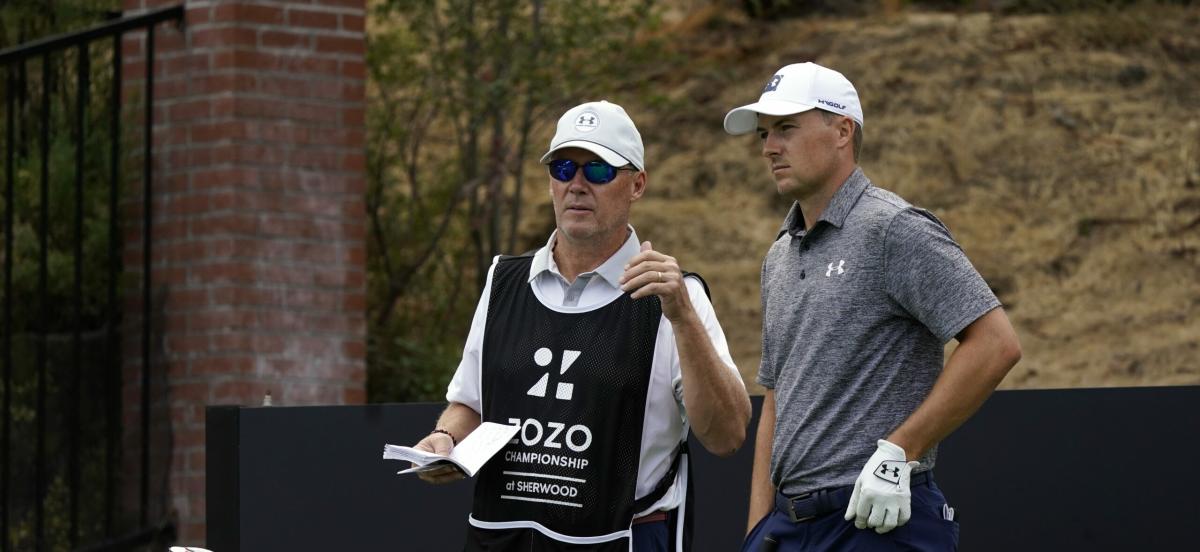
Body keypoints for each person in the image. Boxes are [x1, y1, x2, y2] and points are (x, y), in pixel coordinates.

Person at [411, 100, 751, 551]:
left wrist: (684, 317)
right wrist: (445, 438)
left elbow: (726, 435)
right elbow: (470, 404)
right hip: (503, 538)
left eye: (598, 171)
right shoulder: (504, 280)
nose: (576, 185)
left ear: (637, 184)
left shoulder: (671, 296)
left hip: (621, 537)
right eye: (564, 167)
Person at [723, 62, 1022, 551]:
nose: (769, 147)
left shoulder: (894, 229)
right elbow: (777, 395)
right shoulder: (779, 254)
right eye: (764, 134)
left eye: (787, 128)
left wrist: (900, 451)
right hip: (789, 528)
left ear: (842, 131)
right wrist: (757, 530)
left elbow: (995, 344)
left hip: (879, 522)